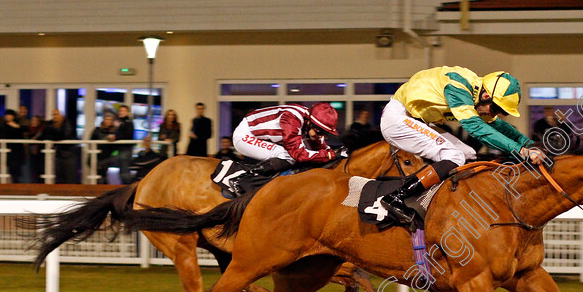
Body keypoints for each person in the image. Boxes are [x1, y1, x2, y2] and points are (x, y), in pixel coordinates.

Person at [378, 67, 543, 225]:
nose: (494, 114)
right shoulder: (458, 88)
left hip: (414, 119)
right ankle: (396, 197)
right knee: (454, 156)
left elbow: (499, 126)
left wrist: (531, 145)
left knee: (468, 154)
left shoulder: (477, 96)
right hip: (397, 119)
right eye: (496, 109)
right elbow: (477, 129)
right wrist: (521, 150)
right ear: (486, 96)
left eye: (500, 112)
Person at [232, 103, 338, 177]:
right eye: (319, 132)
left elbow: (322, 149)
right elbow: (298, 154)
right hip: (245, 135)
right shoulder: (292, 118)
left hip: (262, 137)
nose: (320, 137)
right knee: (288, 156)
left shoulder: (310, 120)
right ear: (310, 122)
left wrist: (335, 153)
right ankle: (247, 177)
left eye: (325, 134)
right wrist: (330, 155)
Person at [42, 109, 77, 184]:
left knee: (69, 176)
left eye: (56, 114)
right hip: (59, 154)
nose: (55, 117)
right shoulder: (51, 125)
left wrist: (55, 129)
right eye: (54, 114)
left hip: (68, 154)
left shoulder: (67, 124)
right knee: (59, 176)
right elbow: (46, 136)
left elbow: (65, 135)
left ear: (61, 115)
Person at [91, 111, 118, 183]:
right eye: (106, 119)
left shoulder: (115, 131)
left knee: (103, 175)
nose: (108, 121)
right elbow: (92, 140)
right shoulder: (97, 130)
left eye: (109, 119)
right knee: (97, 174)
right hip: (97, 155)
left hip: (107, 156)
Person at [2, 109, 28, 183]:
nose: (7, 117)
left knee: (19, 170)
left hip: (18, 151)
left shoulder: (18, 124)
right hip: (9, 151)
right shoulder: (3, 126)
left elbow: (25, 130)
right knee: (11, 170)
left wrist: (17, 127)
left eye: (9, 115)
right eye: (6, 115)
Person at [26, 115, 45, 183]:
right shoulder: (28, 130)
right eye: (33, 120)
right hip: (30, 154)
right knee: (32, 172)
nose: (34, 122)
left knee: (40, 171)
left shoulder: (41, 131)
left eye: (36, 121)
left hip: (40, 154)